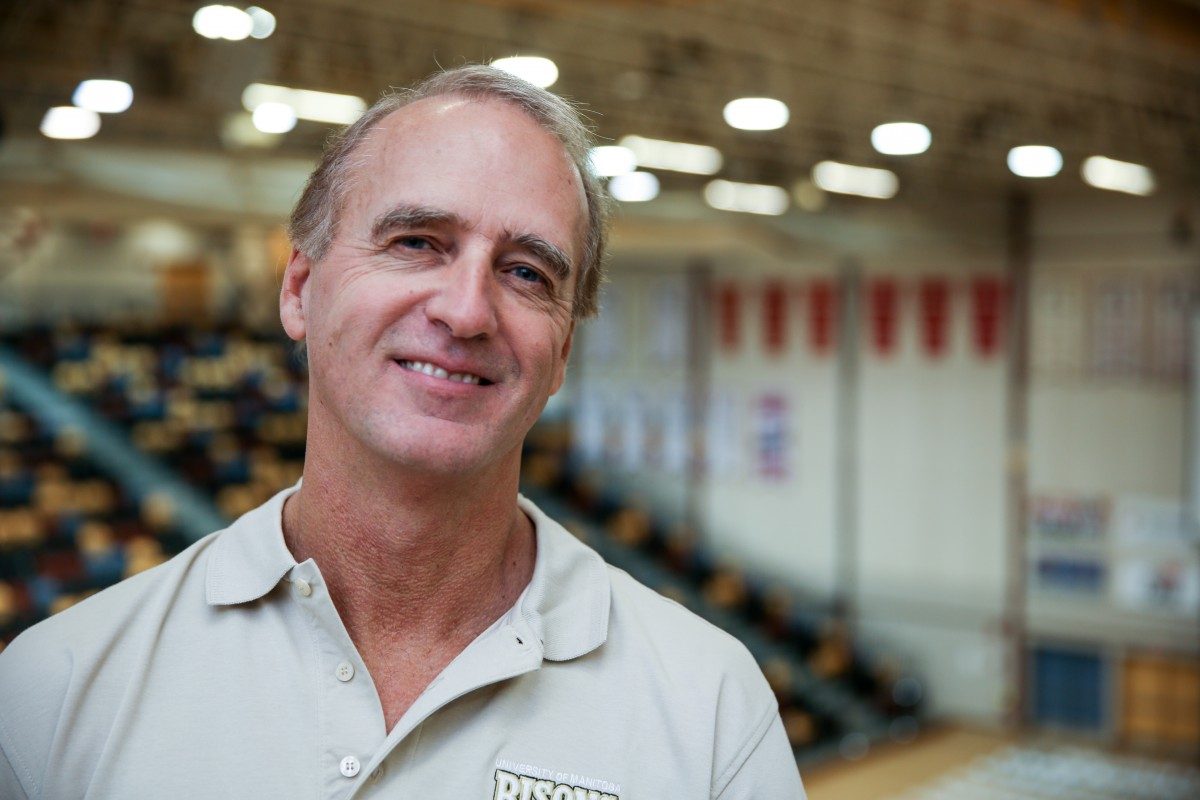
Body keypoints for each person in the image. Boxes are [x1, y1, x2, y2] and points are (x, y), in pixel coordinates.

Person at [0, 66, 805, 799]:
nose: (464, 311)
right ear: (300, 289)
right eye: (416, 242)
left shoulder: (711, 713)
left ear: (562, 352)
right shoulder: (57, 688)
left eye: (527, 272)